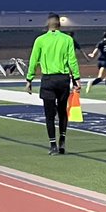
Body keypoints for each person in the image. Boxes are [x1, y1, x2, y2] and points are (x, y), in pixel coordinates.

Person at [25, 13, 81, 155]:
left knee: (49, 115)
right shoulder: (67, 39)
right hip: (63, 79)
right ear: (59, 25)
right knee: (62, 112)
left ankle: (52, 145)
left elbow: (33, 60)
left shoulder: (40, 40)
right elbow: (72, 60)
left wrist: (29, 79)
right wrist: (77, 78)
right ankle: (62, 140)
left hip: (48, 79)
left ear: (47, 25)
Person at [85, 31, 106, 96]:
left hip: (100, 61)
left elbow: (97, 49)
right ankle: (92, 83)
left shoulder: (101, 42)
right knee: (101, 77)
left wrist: (93, 54)